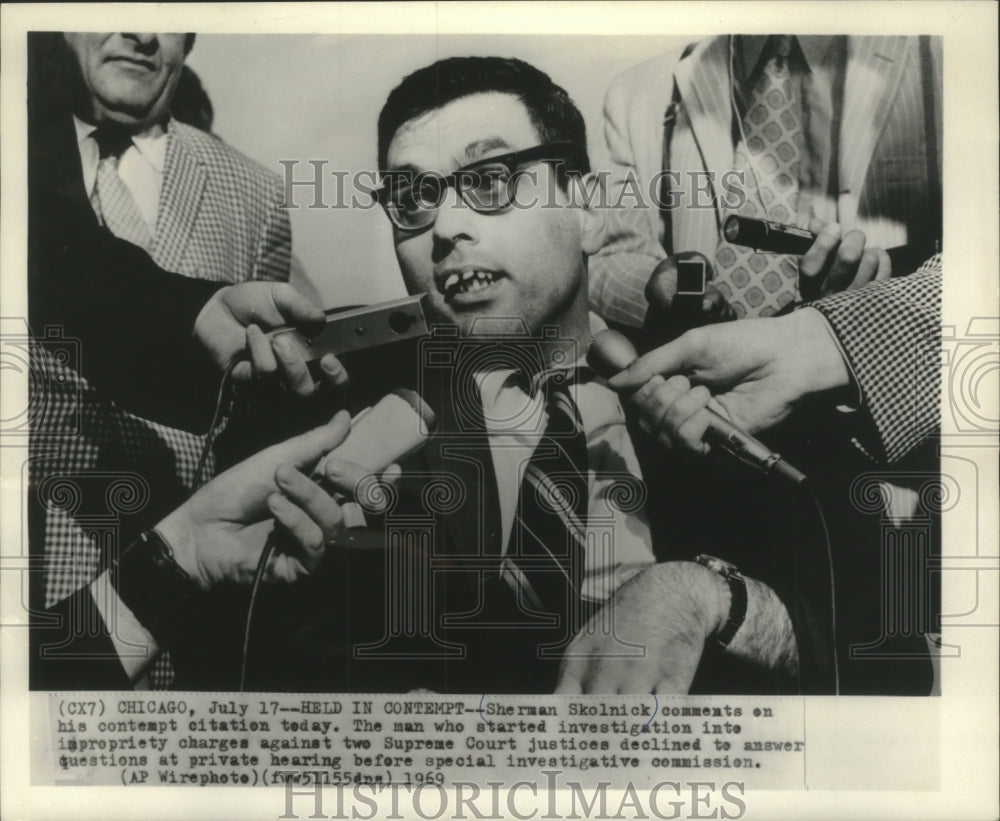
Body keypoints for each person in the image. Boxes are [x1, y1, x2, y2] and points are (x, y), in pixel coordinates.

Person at [238, 56, 815, 697]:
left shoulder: (717, 387)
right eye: (415, 198)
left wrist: (706, 596)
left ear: (589, 211)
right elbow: (282, 657)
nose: (448, 227)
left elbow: (848, 639)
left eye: (490, 181)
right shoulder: (347, 426)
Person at [29, 31, 298, 615]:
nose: (142, 32)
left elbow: (264, 413)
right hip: (34, 573)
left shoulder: (256, 192)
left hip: (199, 590)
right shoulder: (15, 151)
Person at [588, 35, 942, 328]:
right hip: (695, 394)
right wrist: (655, 294)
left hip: (867, 393)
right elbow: (608, 256)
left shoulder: (943, 62)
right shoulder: (636, 92)